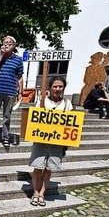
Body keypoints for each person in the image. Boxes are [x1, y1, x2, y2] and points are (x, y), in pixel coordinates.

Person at [29, 77, 73, 207]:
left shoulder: (67, 104)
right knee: (38, 167)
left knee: (48, 169)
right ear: (50, 88)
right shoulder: (42, 102)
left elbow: (70, 123)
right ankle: (35, 192)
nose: (58, 89)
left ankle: (42, 193)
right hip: (41, 141)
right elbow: (35, 119)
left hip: (57, 143)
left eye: (60, 86)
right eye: (55, 86)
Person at [0, 36, 24, 147]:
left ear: (14, 45)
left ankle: (5, 137)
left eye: (9, 43)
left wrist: (20, 93)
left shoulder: (18, 60)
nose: (7, 45)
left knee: (7, 116)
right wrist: (1, 56)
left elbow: (20, 77)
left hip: (11, 91)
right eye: (5, 43)